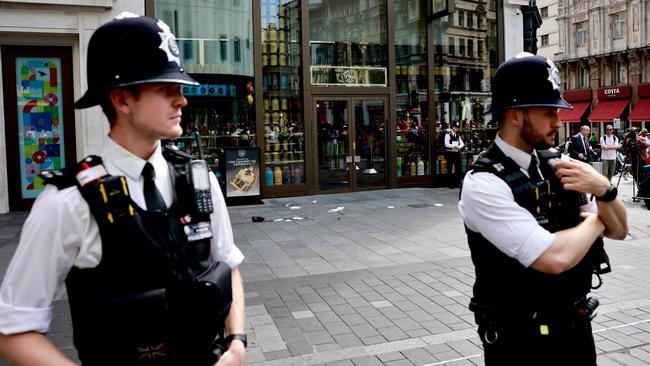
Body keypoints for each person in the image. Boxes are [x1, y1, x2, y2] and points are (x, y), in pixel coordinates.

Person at [0, 13, 246, 366]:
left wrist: (236, 344)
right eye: (166, 90)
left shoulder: (199, 179)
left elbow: (228, 263)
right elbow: (12, 328)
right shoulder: (68, 202)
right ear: (122, 100)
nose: (182, 101)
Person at [459, 52, 628, 365]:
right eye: (548, 111)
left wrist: (603, 188)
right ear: (515, 115)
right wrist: (595, 223)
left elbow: (619, 229)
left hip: (575, 328)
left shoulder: (559, 165)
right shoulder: (483, 183)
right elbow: (553, 258)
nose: (558, 120)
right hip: (519, 341)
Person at [444, 123, 465, 188]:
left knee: (459, 168)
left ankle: (457, 183)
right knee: (450, 168)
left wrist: (459, 147)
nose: (457, 128)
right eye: (455, 127)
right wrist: (454, 146)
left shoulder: (458, 135)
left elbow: (462, 143)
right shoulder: (448, 134)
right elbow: (446, 144)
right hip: (450, 153)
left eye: (457, 127)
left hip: (456, 153)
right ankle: (450, 184)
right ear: (452, 127)